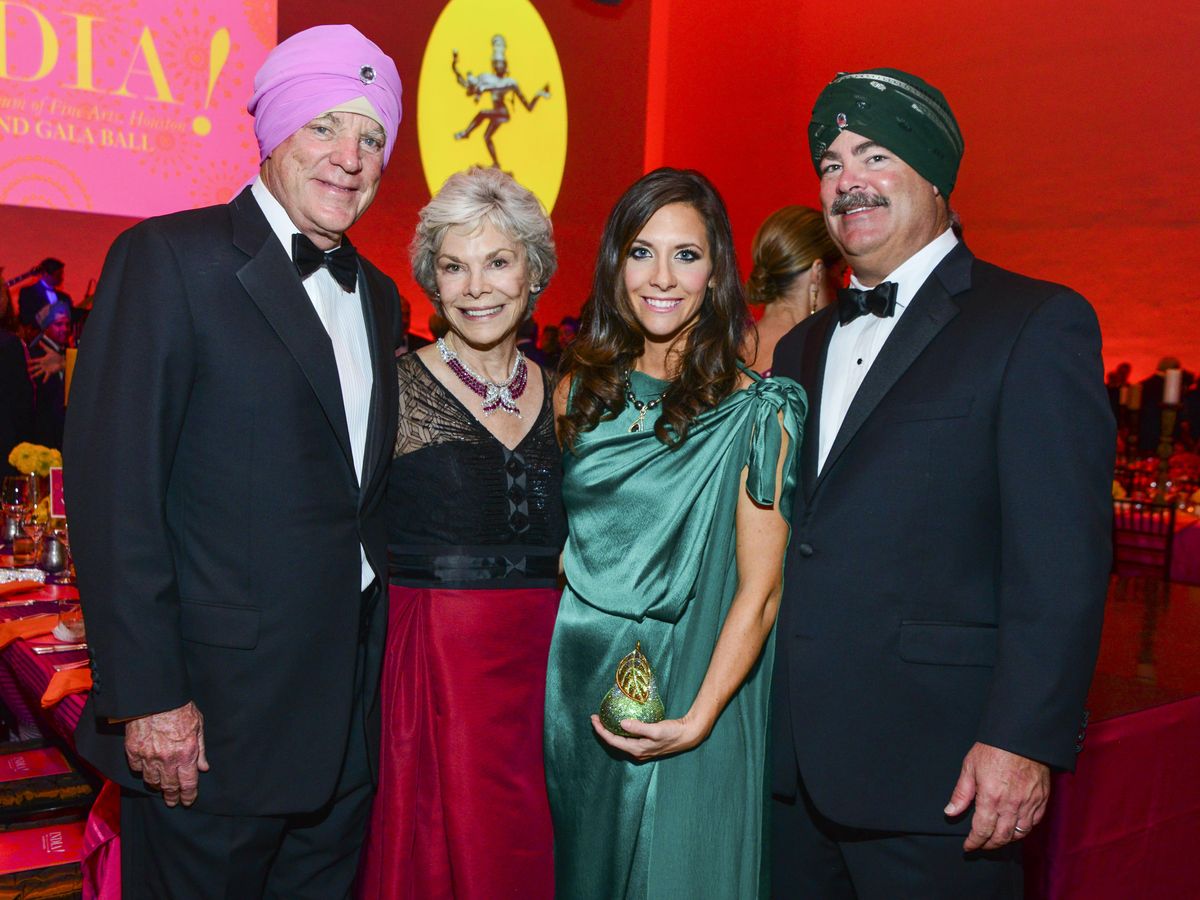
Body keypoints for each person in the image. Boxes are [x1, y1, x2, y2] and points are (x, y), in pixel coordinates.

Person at [63, 26, 404, 898]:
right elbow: (114, 496)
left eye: (372, 136)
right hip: (209, 732)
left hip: (343, 737)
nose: (351, 157)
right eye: (326, 125)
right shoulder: (167, 260)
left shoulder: (381, 298)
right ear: (276, 128)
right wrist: (148, 699)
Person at [770, 68, 1113, 897]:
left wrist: (1023, 742)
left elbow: (1062, 559)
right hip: (791, 775)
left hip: (945, 778)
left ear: (934, 177)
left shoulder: (1033, 323)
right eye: (831, 163)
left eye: (876, 154)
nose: (848, 179)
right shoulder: (798, 350)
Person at [544, 168, 806, 899]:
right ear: (615, 263)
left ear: (717, 269)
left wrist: (697, 719)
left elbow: (760, 592)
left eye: (686, 255)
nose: (661, 277)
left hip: (692, 682)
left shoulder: (762, 412)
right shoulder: (579, 391)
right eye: (641, 251)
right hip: (577, 686)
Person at [358, 166, 563, 899]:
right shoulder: (393, 387)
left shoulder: (565, 390)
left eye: (498, 262)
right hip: (434, 664)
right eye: (454, 266)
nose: (476, 286)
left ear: (533, 271)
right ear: (432, 283)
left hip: (544, 670)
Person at [744, 205, 842, 375]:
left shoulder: (724, 345)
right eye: (842, 273)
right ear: (817, 273)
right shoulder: (812, 356)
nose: (843, 287)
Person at [27, 301, 71, 449]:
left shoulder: (65, 353)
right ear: (46, 327)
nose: (64, 329)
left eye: (67, 324)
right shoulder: (36, 353)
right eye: (58, 324)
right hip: (46, 433)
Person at [18, 258, 72, 335]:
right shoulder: (28, 293)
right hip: (37, 337)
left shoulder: (64, 297)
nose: (62, 278)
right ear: (45, 273)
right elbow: (25, 318)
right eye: (58, 275)